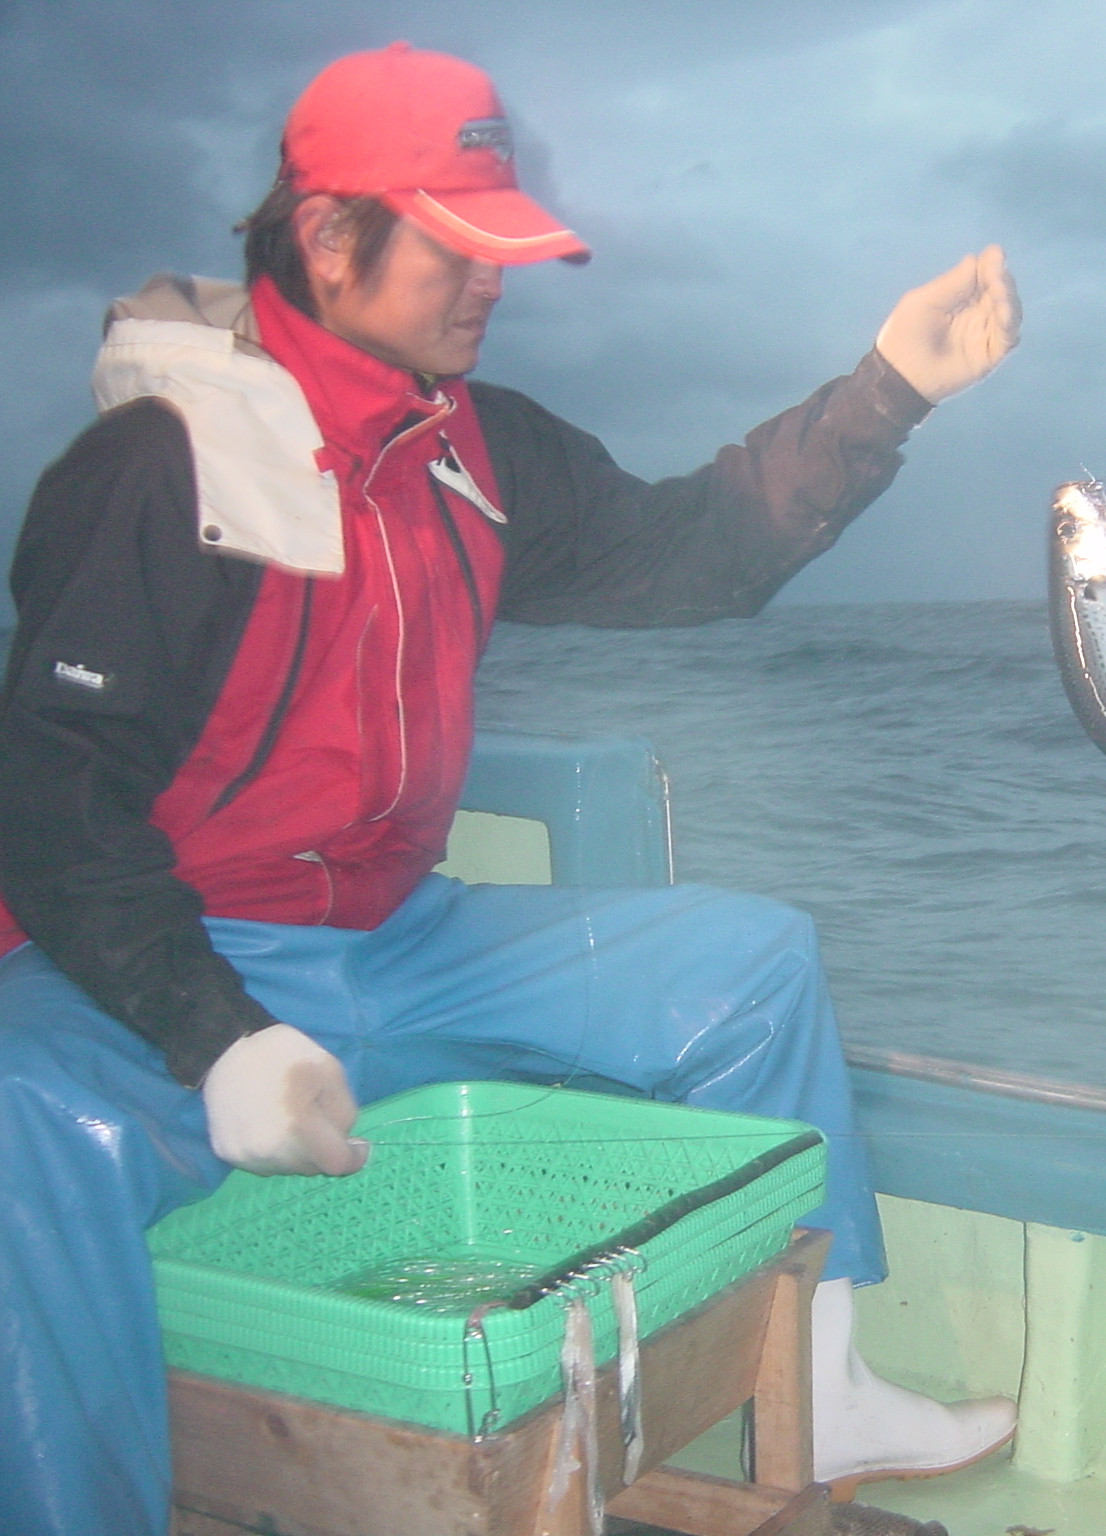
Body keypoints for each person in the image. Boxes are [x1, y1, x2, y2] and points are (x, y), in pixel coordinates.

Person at [0, 42, 1020, 1536]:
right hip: (181, 947)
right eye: (454, 246)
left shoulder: (477, 447)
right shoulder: (154, 469)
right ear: (329, 235)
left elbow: (694, 555)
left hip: (402, 939)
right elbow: (51, 797)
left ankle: (827, 1378)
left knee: (751, 967)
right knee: (23, 1125)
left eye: (500, 248)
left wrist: (891, 389)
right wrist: (216, 1035)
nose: (491, 281)